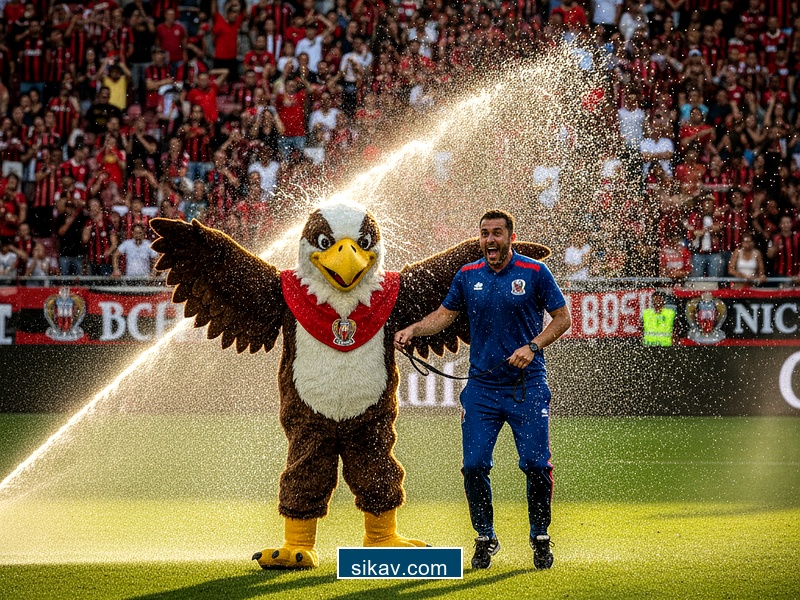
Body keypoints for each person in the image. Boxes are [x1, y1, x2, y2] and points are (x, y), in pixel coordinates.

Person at [393, 210, 571, 570]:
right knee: (473, 466)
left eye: (497, 234)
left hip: (527, 386)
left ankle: (540, 536)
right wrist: (413, 330)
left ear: (511, 236)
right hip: (482, 390)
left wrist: (533, 346)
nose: (490, 240)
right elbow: (444, 315)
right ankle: (485, 537)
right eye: (484, 234)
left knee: (536, 465)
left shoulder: (535, 273)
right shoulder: (467, 274)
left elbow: (563, 318)